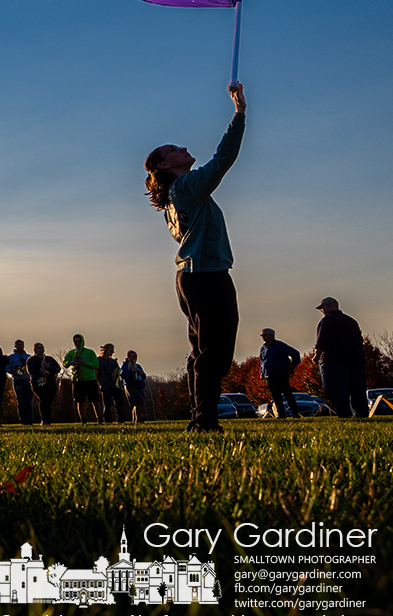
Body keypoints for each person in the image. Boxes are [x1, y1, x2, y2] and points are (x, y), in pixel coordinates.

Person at [143, 82, 247, 431]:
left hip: (193, 276)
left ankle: (199, 416)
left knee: (202, 351)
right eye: (174, 149)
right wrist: (239, 114)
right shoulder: (185, 187)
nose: (183, 148)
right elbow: (222, 161)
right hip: (204, 276)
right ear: (163, 164)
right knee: (215, 351)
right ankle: (204, 419)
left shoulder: (177, 195)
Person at [313, 297, 366, 419]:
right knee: (357, 388)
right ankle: (361, 414)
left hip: (334, 359)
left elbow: (322, 340)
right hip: (356, 358)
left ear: (329, 306)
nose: (322, 311)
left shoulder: (327, 321)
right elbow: (359, 340)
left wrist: (317, 355)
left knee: (336, 389)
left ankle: (344, 414)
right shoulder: (351, 321)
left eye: (322, 308)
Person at [259, 328, 302, 418]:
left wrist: (293, 365)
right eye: (262, 335)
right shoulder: (263, 348)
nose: (263, 337)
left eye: (264, 335)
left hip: (280, 373)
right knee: (275, 396)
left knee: (287, 394)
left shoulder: (280, 345)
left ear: (271, 336)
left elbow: (295, 353)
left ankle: (295, 413)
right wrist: (262, 372)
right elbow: (263, 361)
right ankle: (281, 414)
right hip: (269, 375)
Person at [63, 334, 101, 422]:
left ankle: (100, 419)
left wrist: (85, 362)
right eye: (75, 341)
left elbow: (96, 365)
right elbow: (64, 363)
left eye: (79, 341)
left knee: (95, 400)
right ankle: (83, 420)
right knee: (80, 401)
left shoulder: (90, 352)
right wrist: (71, 362)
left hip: (90, 379)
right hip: (77, 379)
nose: (77, 343)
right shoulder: (71, 353)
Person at [27, 343, 60, 426]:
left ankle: (48, 420)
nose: (40, 349)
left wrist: (49, 366)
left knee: (48, 401)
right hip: (37, 383)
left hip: (50, 383)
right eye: (38, 348)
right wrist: (40, 373)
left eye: (42, 347)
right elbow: (31, 371)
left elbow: (57, 369)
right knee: (43, 400)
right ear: (34, 349)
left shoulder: (49, 359)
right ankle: (44, 420)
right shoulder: (31, 360)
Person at [6, 340, 37, 425]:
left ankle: (29, 421)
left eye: (22, 345)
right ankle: (23, 420)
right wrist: (15, 373)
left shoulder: (28, 357)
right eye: (19, 345)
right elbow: (7, 368)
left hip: (28, 380)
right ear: (15, 346)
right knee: (20, 401)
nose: (20, 347)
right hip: (17, 380)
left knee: (29, 402)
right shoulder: (11, 357)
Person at [98, 343, 127, 423]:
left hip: (114, 385)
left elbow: (117, 372)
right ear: (106, 350)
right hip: (105, 385)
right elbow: (96, 372)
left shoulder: (113, 362)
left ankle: (121, 419)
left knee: (119, 404)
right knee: (107, 405)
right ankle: (108, 420)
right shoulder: (99, 360)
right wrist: (99, 383)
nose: (112, 352)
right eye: (111, 350)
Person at [120, 350, 147, 423]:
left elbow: (144, 376)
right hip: (130, 385)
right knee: (138, 402)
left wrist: (142, 374)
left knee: (138, 403)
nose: (135, 358)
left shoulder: (138, 366)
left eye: (136, 356)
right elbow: (123, 375)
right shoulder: (125, 365)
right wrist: (132, 371)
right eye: (133, 356)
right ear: (128, 357)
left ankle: (135, 419)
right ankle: (138, 418)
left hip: (139, 385)